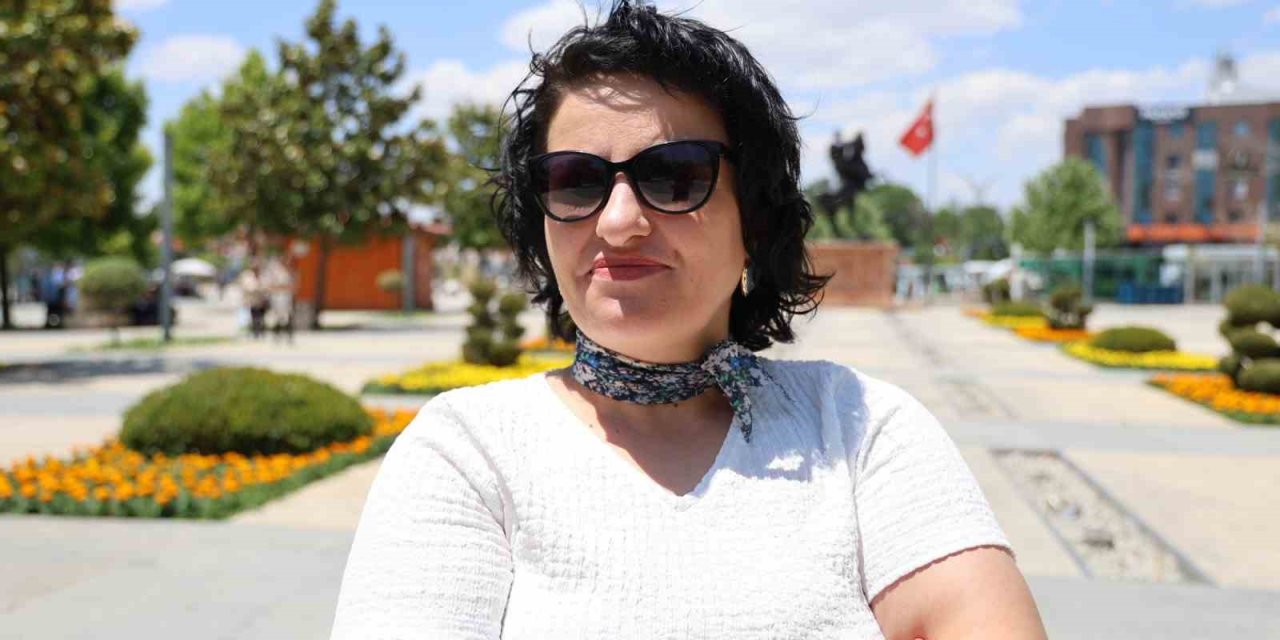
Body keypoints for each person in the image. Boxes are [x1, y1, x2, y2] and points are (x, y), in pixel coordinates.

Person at [331, 3, 1047, 638]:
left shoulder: (860, 428)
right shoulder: (466, 452)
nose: (618, 222)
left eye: (674, 176)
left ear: (754, 217)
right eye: (574, 181)